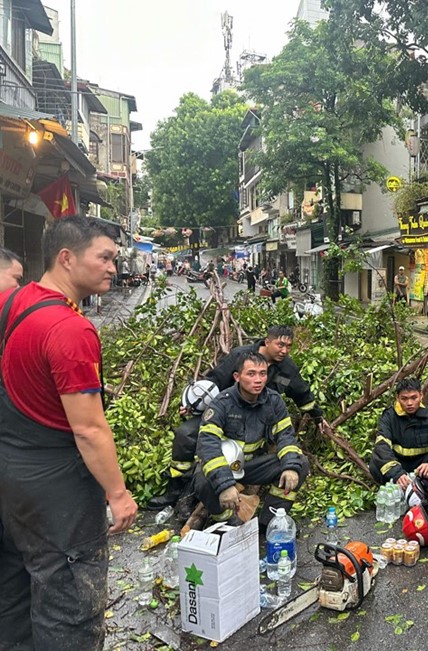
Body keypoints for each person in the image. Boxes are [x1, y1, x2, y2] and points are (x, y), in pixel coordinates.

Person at [0, 216, 138, 649]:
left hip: (10, 476)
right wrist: (118, 494)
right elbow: (89, 428)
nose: (114, 267)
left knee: (14, 590)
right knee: (69, 604)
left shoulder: (12, 302)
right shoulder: (70, 329)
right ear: (66, 258)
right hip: (56, 489)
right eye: (105, 257)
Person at [147, 325, 323, 510]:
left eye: (289, 346)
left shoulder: (287, 369)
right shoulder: (240, 356)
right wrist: (193, 405)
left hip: (259, 422)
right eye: (280, 345)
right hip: (226, 414)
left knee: (295, 461)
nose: (284, 350)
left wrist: (318, 416)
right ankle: (177, 491)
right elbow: (215, 380)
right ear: (267, 341)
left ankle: (270, 518)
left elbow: (302, 394)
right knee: (186, 435)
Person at [193, 351, 309, 526]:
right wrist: (224, 484)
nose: (258, 380)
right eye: (251, 374)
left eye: (262, 374)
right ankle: (228, 522)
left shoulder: (273, 401)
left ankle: (270, 522)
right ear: (237, 377)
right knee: (202, 480)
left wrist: (290, 466)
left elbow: (286, 436)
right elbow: (207, 445)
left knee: (301, 462)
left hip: (251, 466)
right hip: (225, 466)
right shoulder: (221, 404)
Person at [369, 377, 428, 489]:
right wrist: (396, 473)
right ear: (397, 398)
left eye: (414, 398)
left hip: (423, 465)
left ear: (421, 396)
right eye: (404, 399)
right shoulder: (389, 416)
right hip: (398, 462)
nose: (409, 403)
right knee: (375, 463)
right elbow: (382, 446)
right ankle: (393, 488)